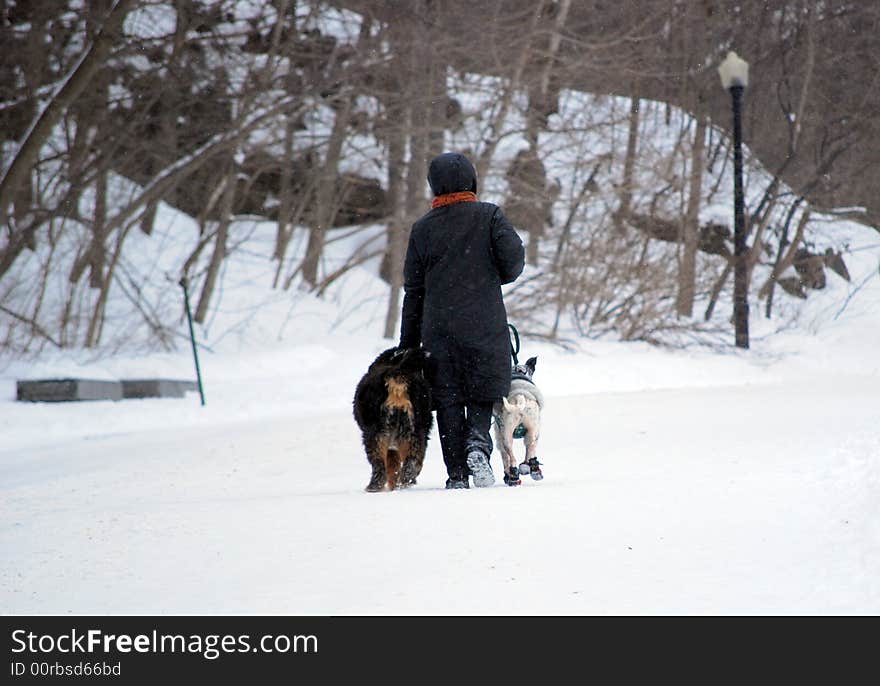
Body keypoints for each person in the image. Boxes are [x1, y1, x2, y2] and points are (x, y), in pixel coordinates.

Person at [399, 152, 525, 489]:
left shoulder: (422, 229)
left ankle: (456, 473)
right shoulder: (489, 216)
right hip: (483, 321)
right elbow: (513, 262)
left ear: (433, 186)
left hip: (438, 329)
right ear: (472, 181)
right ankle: (478, 446)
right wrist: (486, 274)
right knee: (483, 388)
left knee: (449, 396)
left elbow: (413, 291)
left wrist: (407, 345)